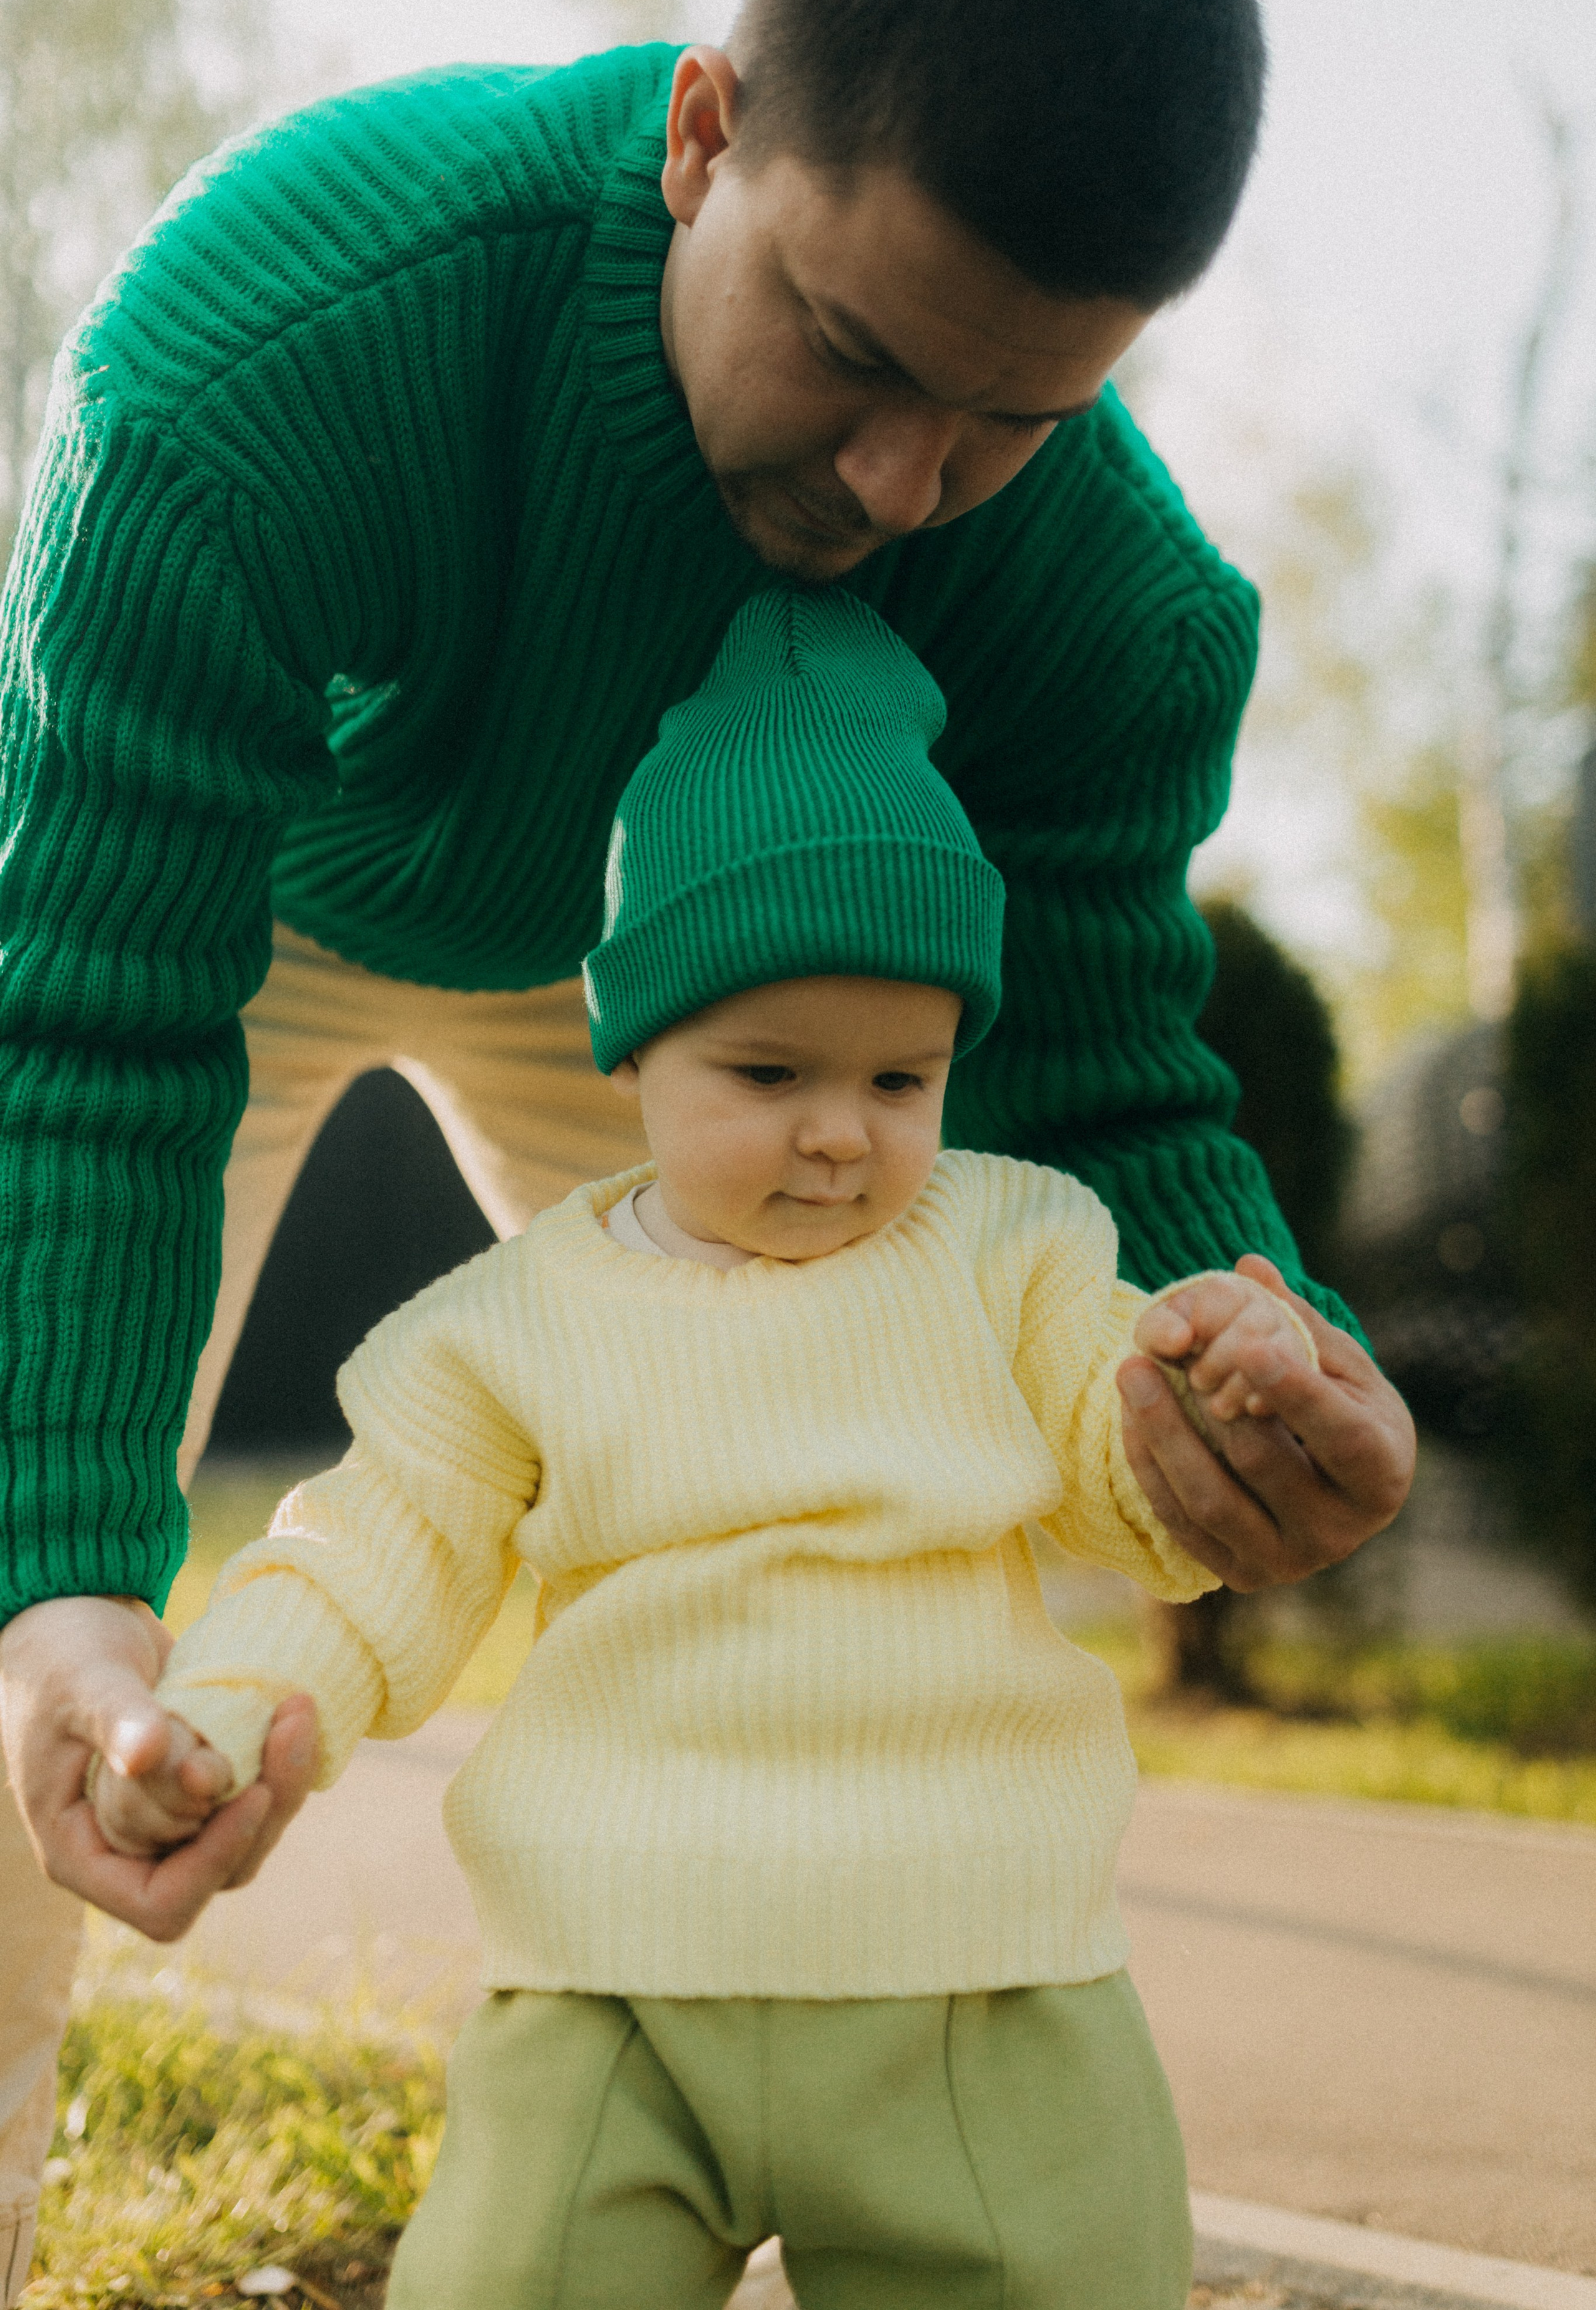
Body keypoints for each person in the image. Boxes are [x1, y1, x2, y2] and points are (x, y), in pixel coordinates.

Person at [0, 0, 1416, 2293]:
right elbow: (85, 1014)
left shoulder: (1105, 598)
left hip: (697, 989)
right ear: (706, 129)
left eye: (1015, 418)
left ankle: (823, 2123)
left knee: (826, 1413)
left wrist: (1245, 1346)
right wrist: (57, 1582)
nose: (904, 480)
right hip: (256, 900)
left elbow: (1093, 1064)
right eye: (853, 353)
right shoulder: (265, 349)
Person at [91, 591, 1327, 2310]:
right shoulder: (511, 1319)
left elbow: (1131, 1472)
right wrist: (220, 1716)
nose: (840, 1132)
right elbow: (374, 1553)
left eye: (906, 1079)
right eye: (768, 1069)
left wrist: (1215, 1394)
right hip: (612, 1988)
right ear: (631, 1054)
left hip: (972, 1979)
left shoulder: (1016, 1248)